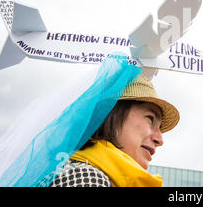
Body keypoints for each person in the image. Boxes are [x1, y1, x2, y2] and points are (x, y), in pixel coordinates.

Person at [47, 75, 179, 187]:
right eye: (150, 119)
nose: (159, 140)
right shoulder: (86, 178)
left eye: (160, 127)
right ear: (112, 114)